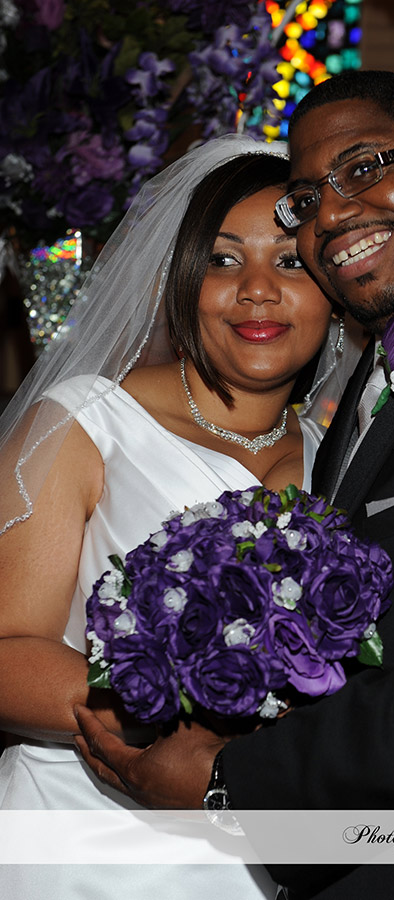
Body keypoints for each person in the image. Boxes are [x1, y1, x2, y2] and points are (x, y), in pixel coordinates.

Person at [75, 70, 394, 900]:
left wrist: (237, 784)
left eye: (362, 168)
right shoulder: (375, 374)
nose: (329, 215)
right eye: (307, 199)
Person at [0, 133, 351, 899]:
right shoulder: (89, 421)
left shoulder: (345, 457)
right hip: (82, 839)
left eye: (290, 263)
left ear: (334, 287)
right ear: (182, 281)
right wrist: (188, 711)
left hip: (258, 846)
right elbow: (7, 651)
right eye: (223, 260)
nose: (256, 290)